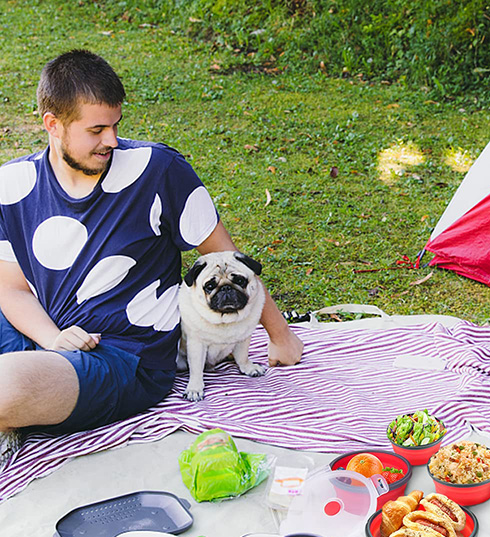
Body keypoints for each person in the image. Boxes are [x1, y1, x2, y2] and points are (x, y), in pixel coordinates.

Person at [0, 49, 303, 465]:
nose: (111, 140)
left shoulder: (158, 171)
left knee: (6, 389)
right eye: (96, 130)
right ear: (53, 124)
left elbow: (227, 258)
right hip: (41, 329)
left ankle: (19, 407)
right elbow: (12, 289)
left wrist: (280, 336)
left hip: (123, 355)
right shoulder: (12, 185)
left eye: (115, 125)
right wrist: (51, 338)